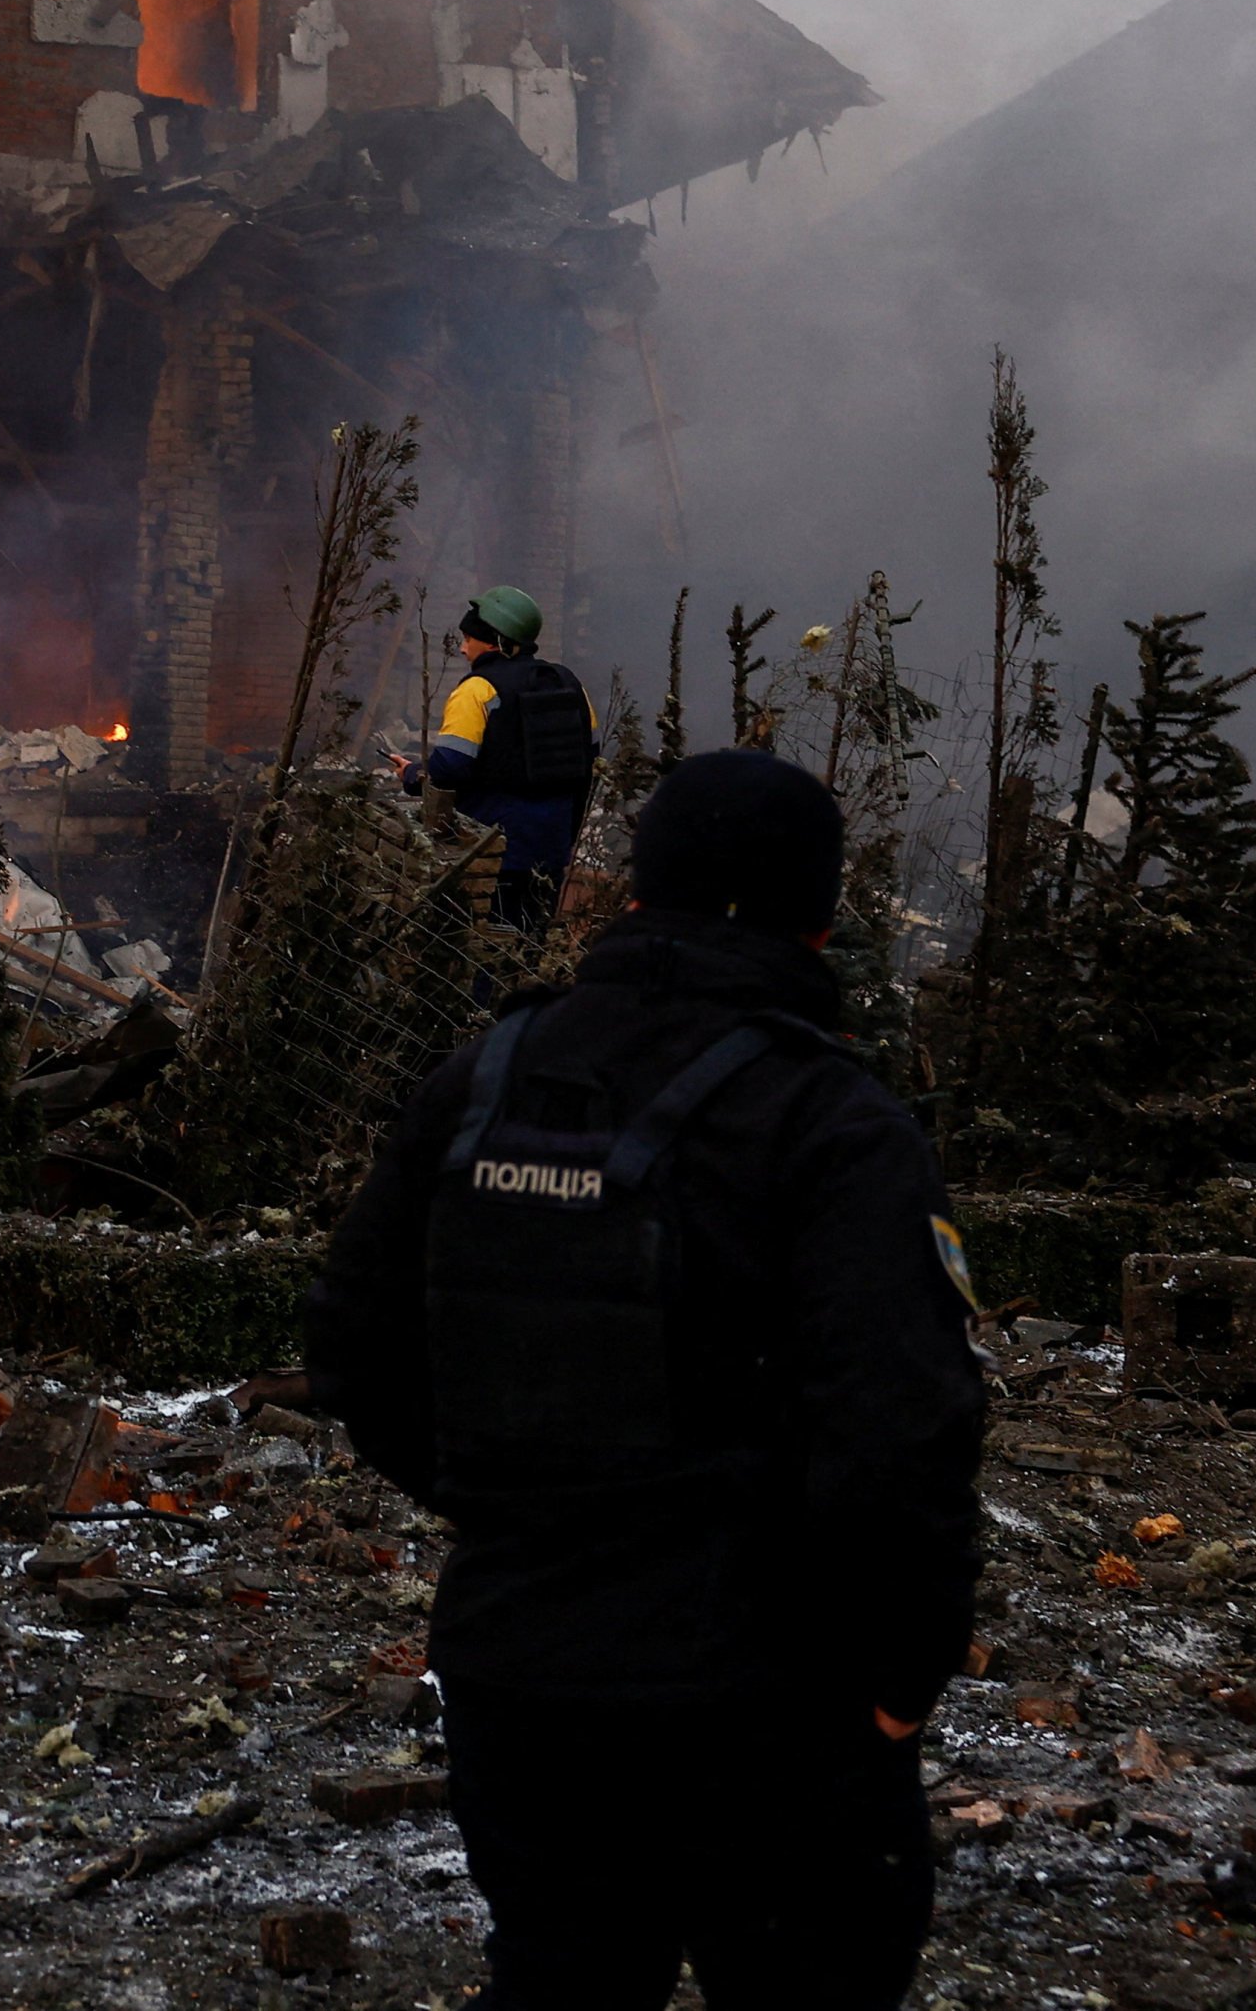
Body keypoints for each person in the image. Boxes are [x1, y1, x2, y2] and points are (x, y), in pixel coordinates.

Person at [303, 748, 985, 2010]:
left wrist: (506, 1503)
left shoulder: (488, 1081)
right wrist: (901, 1679)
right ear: (821, 922)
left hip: (523, 1681)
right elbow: (902, 1435)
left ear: (628, 893)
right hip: (769, 1710)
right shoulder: (834, 1123)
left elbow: (351, 1347)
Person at [404, 583, 596, 932]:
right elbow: (588, 762)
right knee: (530, 949)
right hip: (552, 850)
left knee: (482, 950)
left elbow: (449, 768)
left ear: (495, 642)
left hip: (494, 852)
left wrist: (413, 774)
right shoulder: (569, 683)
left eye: (468, 639)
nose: (463, 649)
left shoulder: (477, 689)